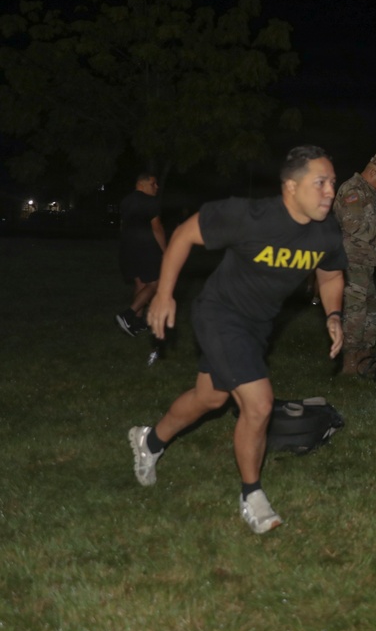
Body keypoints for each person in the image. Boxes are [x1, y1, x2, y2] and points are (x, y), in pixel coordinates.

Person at [129, 145, 347, 534]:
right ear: (290, 187)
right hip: (219, 313)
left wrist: (333, 314)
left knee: (210, 398)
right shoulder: (249, 216)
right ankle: (252, 495)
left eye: (332, 182)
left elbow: (330, 276)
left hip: (258, 326)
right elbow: (182, 235)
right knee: (259, 404)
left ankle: (149, 441)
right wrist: (163, 294)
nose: (330, 190)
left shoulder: (326, 231)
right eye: (321, 182)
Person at [332, 152, 376, 374]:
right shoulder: (354, 190)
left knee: (369, 308)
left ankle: (365, 355)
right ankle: (350, 362)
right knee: (355, 311)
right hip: (352, 261)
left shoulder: (367, 193)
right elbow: (354, 227)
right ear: (372, 173)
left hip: (364, 262)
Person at [116, 172, 166, 336]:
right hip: (146, 247)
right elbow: (157, 228)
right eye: (153, 184)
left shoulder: (125, 201)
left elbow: (123, 226)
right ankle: (127, 315)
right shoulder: (151, 202)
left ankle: (135, 322)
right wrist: (166, 251)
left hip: (128, 247)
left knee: (140, 283)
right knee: (154, 284)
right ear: (142, 184)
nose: (156, 187)